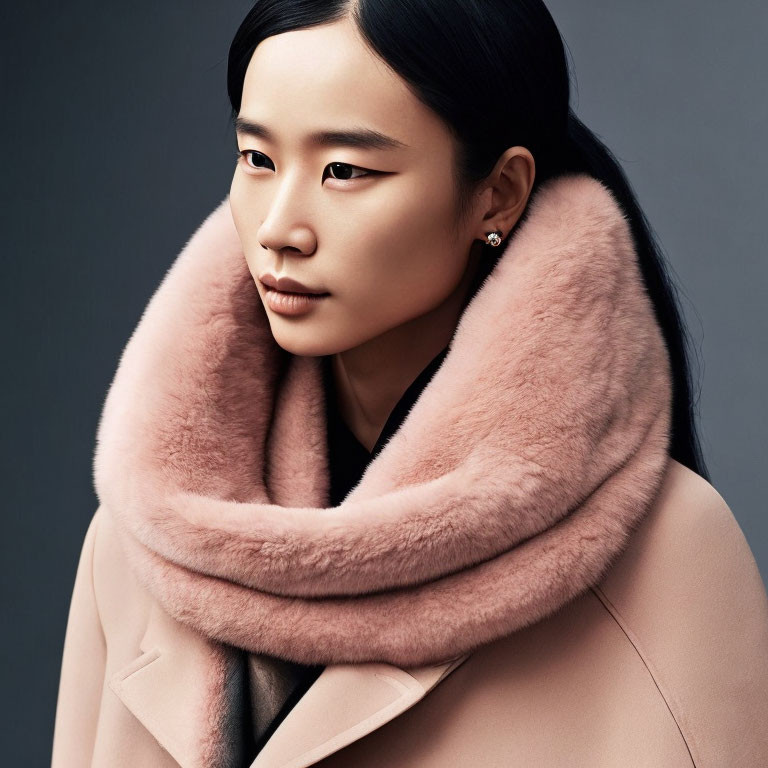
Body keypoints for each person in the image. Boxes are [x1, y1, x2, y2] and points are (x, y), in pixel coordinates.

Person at [52, 2, 768, 767]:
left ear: (497, 195)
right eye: (257, 158)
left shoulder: (667, 554)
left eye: (345, 171)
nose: (279, 227)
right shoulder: (144, 538)